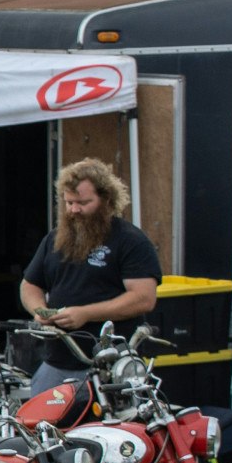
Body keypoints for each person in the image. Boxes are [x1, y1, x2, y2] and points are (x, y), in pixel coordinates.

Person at [19, 158, 160, 393]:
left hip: (111, 366)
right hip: (57, 362)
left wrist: (86, 314)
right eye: (69, 202)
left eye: (83, 202)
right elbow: (29, 285)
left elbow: (144, 298)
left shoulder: (131, 241)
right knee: (39, 424)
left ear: (106, 199)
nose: (74, 210)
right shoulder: (54, 239)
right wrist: (39, 311)